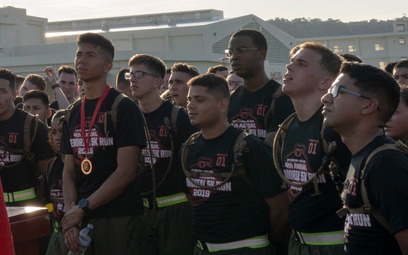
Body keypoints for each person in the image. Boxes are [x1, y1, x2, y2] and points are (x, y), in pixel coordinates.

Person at [182, 73, 289, 254]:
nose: (190, 105)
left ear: (222, 105)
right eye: (189, 99)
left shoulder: (249, 147)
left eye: (199, 100)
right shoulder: (189, 147)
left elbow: (280, 209)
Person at [60, 33, 147, 254]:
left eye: (90, 55)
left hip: (117, 217)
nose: (82, 60)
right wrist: (71, 216)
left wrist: (83, 208)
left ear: (107, 65)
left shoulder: (123, 107)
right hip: (80, 216)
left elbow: (126, 172)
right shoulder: (72, 112)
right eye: (79, 54)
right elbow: (68, 172)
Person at [323, 62, 408, 252]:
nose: (325, 98)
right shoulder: (362, 155)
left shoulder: (386, 164)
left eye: (337, 91)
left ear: (368, 105)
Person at [275, 42, 350, 254]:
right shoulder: (287, 127)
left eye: (301, 64)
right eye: (291, 62)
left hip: (336, 245)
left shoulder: (336, 129)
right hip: (298, 243)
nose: (289, 67)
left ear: (326, 82)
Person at [128, 53, 196, 255]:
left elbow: (194, 164)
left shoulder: (178, 117)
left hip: (175, 211)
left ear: (158, 81)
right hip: (140, 210)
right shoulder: (128, 116)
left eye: (139, 74)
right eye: (130, 74)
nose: (132, 79)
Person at [0, 68, 53, 208]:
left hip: (27, 210)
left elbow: (48, 175)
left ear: (14, 94)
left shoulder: (33, 126)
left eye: (2, 91)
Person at [227, 29, 295, 144]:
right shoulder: (231, 98)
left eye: (241, 50)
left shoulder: (281, 97)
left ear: (261, 54)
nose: (234, 57)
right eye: (230, 52)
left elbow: (270, 150)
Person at [43, 110, 68, 255]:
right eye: (53, 132)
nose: (57, 137)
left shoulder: (82, 165)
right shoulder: (51, 165)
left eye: (62, 131)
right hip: (57, 233)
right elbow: (48, 201)